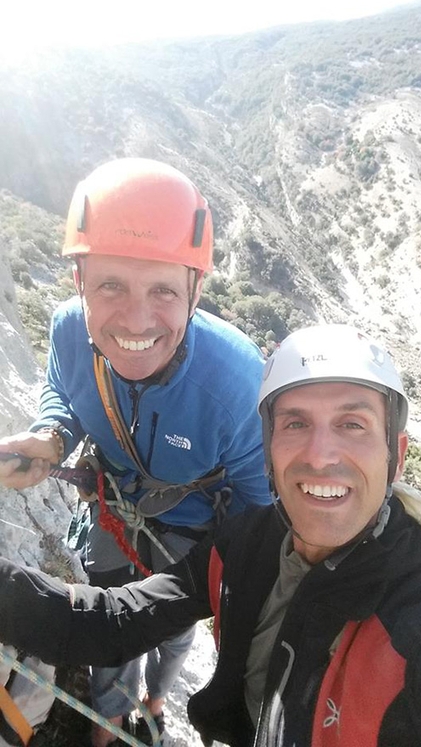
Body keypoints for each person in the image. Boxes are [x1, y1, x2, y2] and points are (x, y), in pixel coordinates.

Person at [0, 323, 421, 746]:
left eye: (353, 424)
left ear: (397, 456)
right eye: (295, 424)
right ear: (269, 446)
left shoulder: (415, 624)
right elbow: (115, 622)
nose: (319, 456)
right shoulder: (248, 544)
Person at [0, 158, 270, 746]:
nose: (137, 318)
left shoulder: (237, 385)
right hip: (113, 507)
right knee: (104, 613)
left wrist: (236, 599)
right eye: (110, 285)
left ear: (196, 290)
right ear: (79, 282)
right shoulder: (72, 331)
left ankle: (154, 699)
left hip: (197, 537)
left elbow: (260, 511)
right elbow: (60, 386)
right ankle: (112, 722)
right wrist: (53, 436)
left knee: (173, 636)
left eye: (164, 290)